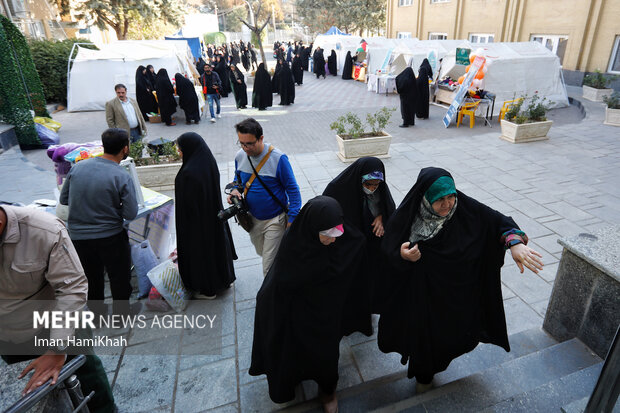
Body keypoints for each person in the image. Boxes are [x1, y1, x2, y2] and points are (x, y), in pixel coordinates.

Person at [378, 167, 544, 393]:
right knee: (423, 343)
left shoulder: (465, 208)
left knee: (449, 338)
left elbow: (498, 222)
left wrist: (514, 243)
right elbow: (387, 249)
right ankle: (424, 379)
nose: (447, 204)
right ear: (425, 198)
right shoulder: (406, 216)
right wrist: (402, 255)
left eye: (450, 196)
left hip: (454, 296)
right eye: (439, 199)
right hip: (421, 297)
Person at [249, 196, 365, 413]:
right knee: (293, 356)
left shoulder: (339, 236)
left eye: (336, 233)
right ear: (312, 230)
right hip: (298, 316)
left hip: (326, 316)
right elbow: (278, 284)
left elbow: (356, 243)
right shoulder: (294, 245)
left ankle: (328, 392)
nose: (333, 240)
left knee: (326, 358)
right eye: (326, 235)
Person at [0, 205, 116, 412]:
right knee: (32, 394)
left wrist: (57, 348)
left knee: (88, 379)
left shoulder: (43, 229)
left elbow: (72, 288)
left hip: (58, 323)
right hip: (9, 334)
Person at [59, 128, 139, 317]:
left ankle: (96, 316)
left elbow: (64, 200)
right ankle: (121, 315)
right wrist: (113, 207)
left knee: (91, 278)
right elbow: (131, 213)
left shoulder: (78, 168)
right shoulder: (121, 175)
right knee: (119, 276)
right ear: (125, 149)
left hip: (79, 237)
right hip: (110, 236)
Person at [227, 118, 302, 276]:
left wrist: (292, 219)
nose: (245, 148)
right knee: (264, 254)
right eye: (241, 143)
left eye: (250, 143)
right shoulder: (240, 156)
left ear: (261, 138)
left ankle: (271, 298)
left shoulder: (278, 158)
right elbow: (238, 180)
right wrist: (234, 190)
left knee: (268, 267)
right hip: (252, 219)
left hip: (275, 219)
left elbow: (293, 190)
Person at [323, 157, 396, 318]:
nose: (372, 188)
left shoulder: (380, 189)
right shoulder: (338, 188)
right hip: (349, 246)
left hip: (372, 243)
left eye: (376, 185)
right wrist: (356, 237)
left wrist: (382, 216)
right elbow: (331, 218)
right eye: (368, 184)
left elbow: (390, 207)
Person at [174, 133, 237, 299]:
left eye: (180, 149)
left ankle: (207, 289)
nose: (179, 152)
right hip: (214, 217)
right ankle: (224, 279)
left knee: (202, 253)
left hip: (197, 224)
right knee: (217, 247)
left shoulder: (189, 173)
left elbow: (189, 206)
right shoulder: (207, 162)